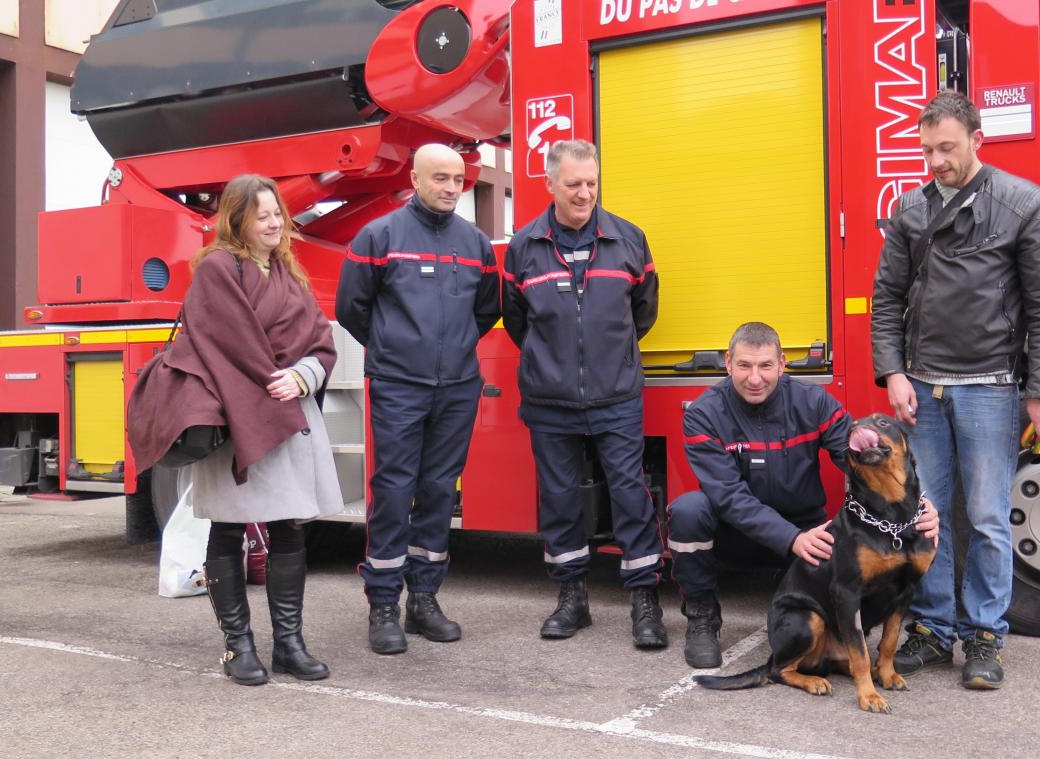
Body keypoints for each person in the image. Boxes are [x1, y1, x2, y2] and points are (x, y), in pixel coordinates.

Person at [870, 90, 1040, 690]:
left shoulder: (1024, 204)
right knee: (928, 517)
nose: (935, 161)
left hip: (991, 386)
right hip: (923, 389)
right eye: (927, 149)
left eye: (947, 148)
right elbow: (887, 301)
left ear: (978, 141)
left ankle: (985, 633)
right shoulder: (910, 211)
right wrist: (895, 372)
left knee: (986, 518)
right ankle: (933, 627)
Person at [129, 174, 341, 686]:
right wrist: (275, 380)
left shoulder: (290, 273)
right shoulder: (219, 269)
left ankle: (289, 644)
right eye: (262, 214)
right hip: (235, 416)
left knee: (289, 527)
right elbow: (228, 346)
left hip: (289, 415)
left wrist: (302, 376)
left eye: (278, 214)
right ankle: (237, 648)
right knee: (227, 528)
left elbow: (320, 342)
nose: (274, 223)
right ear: (237, 219)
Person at [669, 322, 940, 668]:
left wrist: (919, 506)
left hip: (807, 534)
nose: (755, 378)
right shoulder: (704, 415)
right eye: (744, 366)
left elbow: (863, 455)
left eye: (766, 366)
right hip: (738, 536)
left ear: (782, 364)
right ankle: (702, 618)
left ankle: (843, 631)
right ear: (727, 363)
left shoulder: (812, 401)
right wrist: (791, 539)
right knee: (688, 510)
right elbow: (729, 498)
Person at [336, 144, 501, 655]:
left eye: (458, 179)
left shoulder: (475, 243)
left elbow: (487, 310)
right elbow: (351, 308)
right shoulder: (378, 237)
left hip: (456, 387)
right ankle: (383, 603)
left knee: (437, 492)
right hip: (398, 386)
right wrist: (395, 349)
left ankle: (424, 599)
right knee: (393, 491)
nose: (451, 187)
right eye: (440, 178)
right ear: (414, 178)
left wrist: (449, 353)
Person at [502, 139, 666, 649]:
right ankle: (572, 598)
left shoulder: (630, 240)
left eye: (591, 183)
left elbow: (644, 312)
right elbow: (515, 321)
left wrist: (605, 357)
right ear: (549, 184)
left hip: (616, 395)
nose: (584, 193)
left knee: (630, 496)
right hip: (549, 401)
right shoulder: (523, 248)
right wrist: (555, 362)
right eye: (573, 184)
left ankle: (644, 601)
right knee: (559, 500)